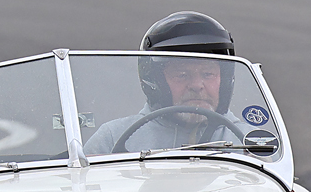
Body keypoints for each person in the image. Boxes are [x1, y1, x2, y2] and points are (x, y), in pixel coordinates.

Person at [85, 11, 242, 154]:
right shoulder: (112, 139)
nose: (196, 85)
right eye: (182, 75)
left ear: (225, 80)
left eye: (208, 74)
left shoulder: (252, 143)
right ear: (155, 82)